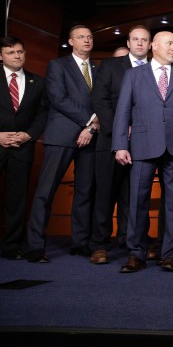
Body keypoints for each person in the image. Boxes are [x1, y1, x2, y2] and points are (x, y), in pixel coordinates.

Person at [113, 31, 173, 273]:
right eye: (170, 44)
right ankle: (136, 253)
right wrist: (121, 144)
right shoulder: (133, 75)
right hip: (142, 145)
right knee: (137, 201)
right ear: (154, 46)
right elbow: (122, 111)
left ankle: (171, 254)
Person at [24, 25, 99, 263]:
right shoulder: (58, 65)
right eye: (81, 37)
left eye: (89, 37)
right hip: (61, 136)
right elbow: (59, 99)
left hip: (91, 136)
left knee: (85, 192)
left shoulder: (98, 68)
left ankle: (80, 242)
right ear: (70, 41)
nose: (86, 40)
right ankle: (35, 246)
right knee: (45, 192)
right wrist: (88, 121)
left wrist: (91, 128)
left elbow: (103, 100)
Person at [88, 25, 150, 265]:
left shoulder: (156, 70)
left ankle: (129, 240)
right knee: (105, 194)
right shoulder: (111, 66)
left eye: (144, 40)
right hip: (112, 139)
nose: (140, 44)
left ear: (150, 44)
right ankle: (99, 244)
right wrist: (122, 129)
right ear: (129, 42)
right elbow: (100, 100)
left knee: (133, 196)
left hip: (144, 142)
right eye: (135, 39)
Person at [0, 37, 48, 260]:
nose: (17, 56)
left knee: (16, 200)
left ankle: (11, 247)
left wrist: (29, 134)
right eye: (11, 52)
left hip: (22, 147)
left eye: (20, 51)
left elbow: (42, 114)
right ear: (1, 56)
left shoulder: (37, 82)